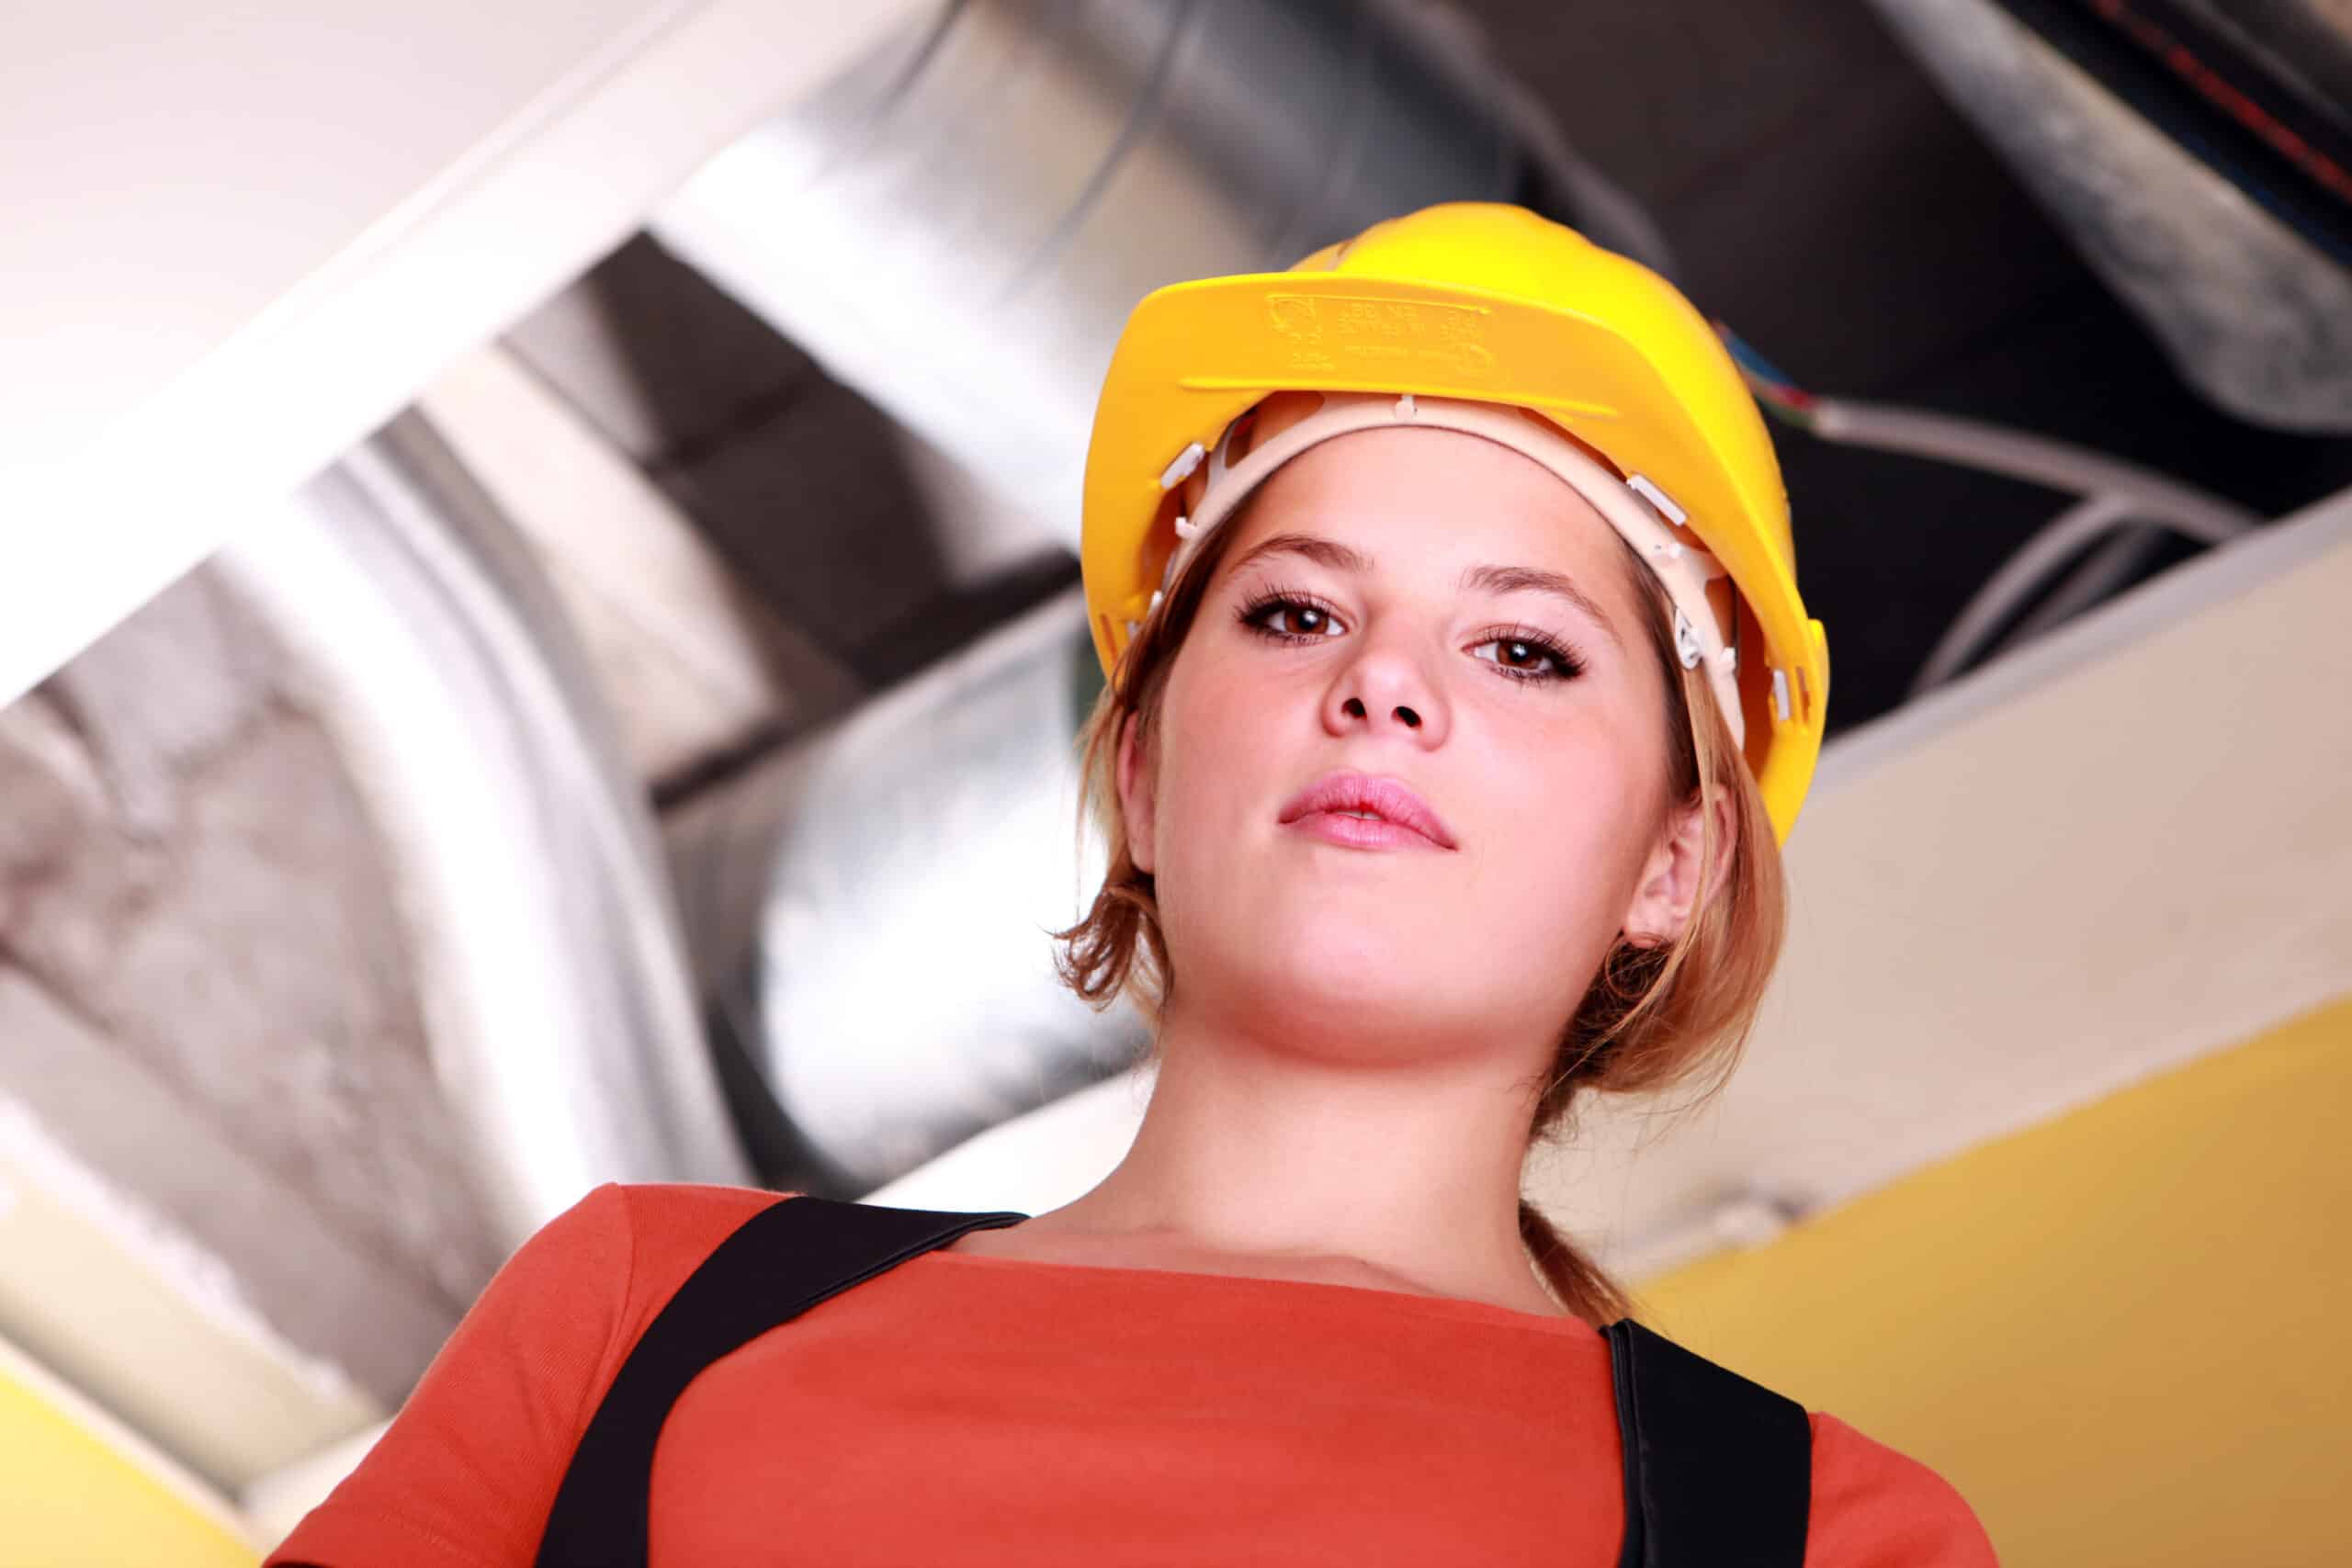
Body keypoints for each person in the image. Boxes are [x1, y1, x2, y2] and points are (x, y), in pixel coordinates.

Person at [268, 203, 1995, 1566]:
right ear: (1149, 773)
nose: (1386, 687)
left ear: (1673, 865)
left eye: (1526, 649)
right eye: (1298, 612)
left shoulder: (1826, 1542)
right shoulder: (637, 1307)